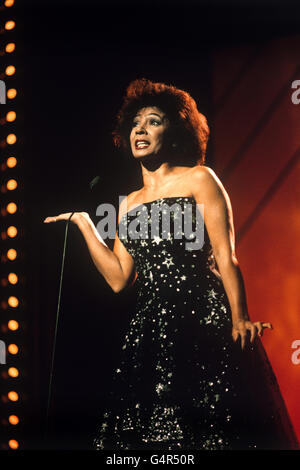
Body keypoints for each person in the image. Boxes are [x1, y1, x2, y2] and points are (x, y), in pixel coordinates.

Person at [44, 78, 299, 450]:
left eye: (153, 121)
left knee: (212, 431)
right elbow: (118, 279)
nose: (141, 129)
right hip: (150, 333)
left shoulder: (199, 179)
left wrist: (240, 317)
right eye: (135, 123)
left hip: (202, 320)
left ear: (175, 132)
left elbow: (226, 256)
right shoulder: (128, 203)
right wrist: (84, 223)